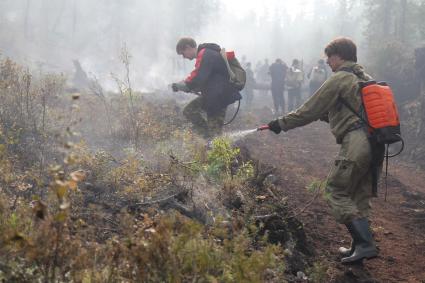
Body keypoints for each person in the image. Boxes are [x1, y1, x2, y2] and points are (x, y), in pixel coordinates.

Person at [266, 37, 384, 264]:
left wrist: (280, 123)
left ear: (339, 56)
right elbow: (346, 111)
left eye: (330, 57)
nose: (328, 62)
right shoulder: (365, 78)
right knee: (357, 194)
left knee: (334, 190)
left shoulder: (340, 78)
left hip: (356, 142)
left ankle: (366, 244)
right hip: (375, 144)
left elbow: (309, 109)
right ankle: (358, 248)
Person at [171, 37, 241, 139]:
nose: (184, 57)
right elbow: (202, 78)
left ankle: (212, 143)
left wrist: (184, 85)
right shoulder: (206, 54)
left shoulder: (205, 54)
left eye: (183, 53)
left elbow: (198, 77)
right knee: (190, 110)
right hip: (213, 96)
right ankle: (208, 138)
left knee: (215, 133)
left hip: (218, 98)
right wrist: (187, 86)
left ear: (188, 47)